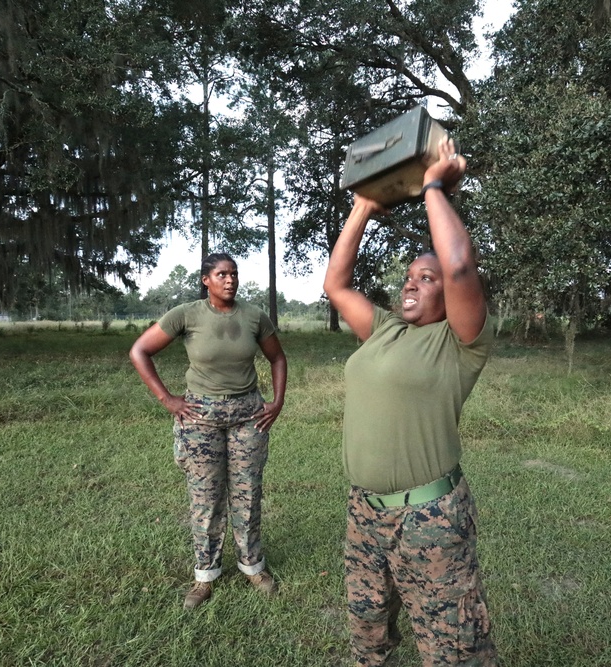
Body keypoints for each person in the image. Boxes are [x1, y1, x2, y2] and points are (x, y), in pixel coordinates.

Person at [324, 136, 498, 666]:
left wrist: (432, 186)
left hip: (430, 519)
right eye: (409, 277)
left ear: (451, 294)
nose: (412, 284)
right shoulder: (382, 329)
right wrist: (363, 206)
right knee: (367, 630)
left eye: (427, 278)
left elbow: (461, 264)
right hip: (364, 512)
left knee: (452, 646)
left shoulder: (460, 341)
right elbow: (335, 284)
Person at [130, 252, 287, 610]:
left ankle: (253, 567)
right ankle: (205, 575)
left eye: (234, 274)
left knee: (247, 493)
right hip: (200, 417)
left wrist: (276, 402)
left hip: (248, 415)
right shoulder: (186, 315)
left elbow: (277, 357)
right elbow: (140, 350)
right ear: (206, 280)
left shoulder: (253, 316)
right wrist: (167, 399)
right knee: (205, 497)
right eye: (221, 274)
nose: (230, 280)